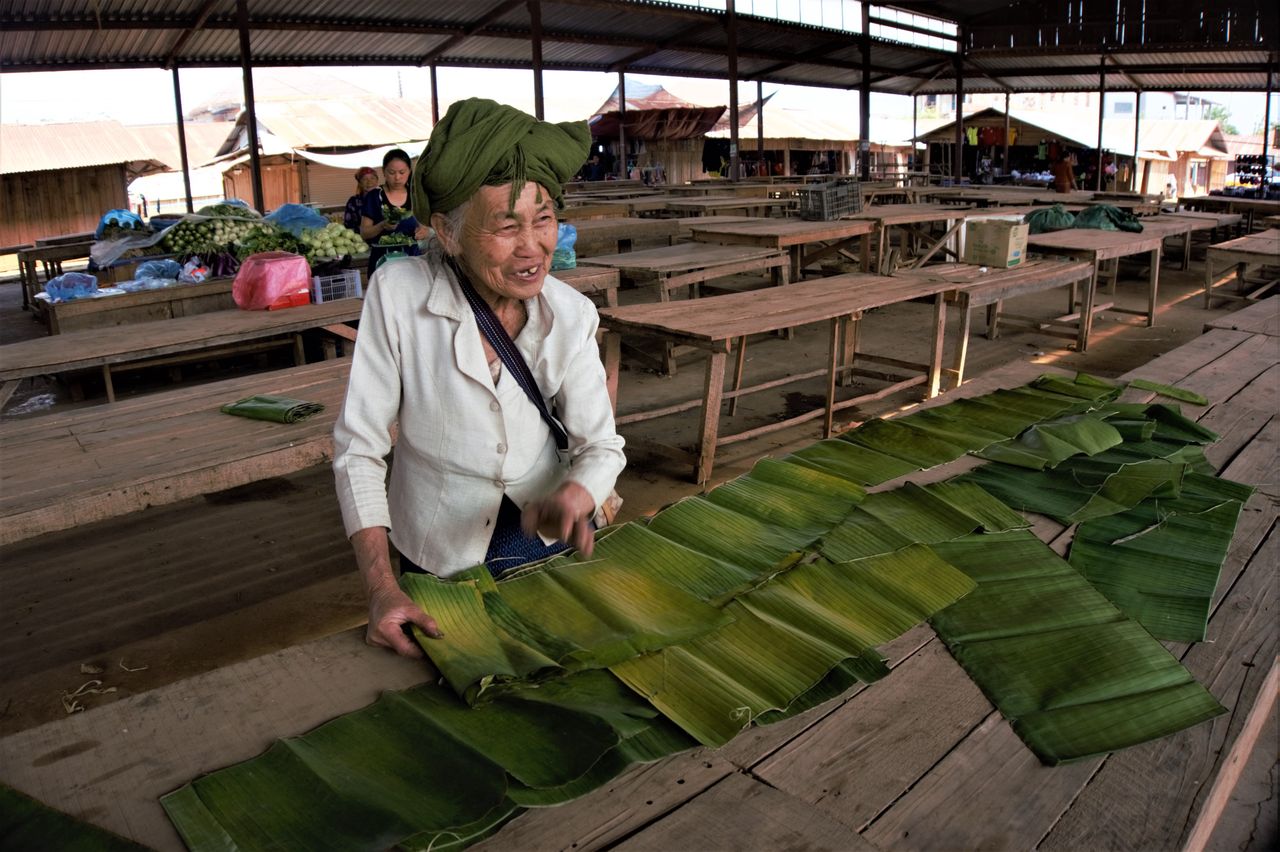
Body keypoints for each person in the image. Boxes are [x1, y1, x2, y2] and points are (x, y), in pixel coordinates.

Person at [333, 98, 626, 659]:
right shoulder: (398, 296)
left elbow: (602, 445)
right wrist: (380, 589)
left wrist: (575, 494)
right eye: (506, 226)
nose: (532, 247)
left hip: (538, 539)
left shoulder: (571, 313)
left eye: (543, 220)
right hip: (434, 545)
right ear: (447, 232)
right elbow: (359, 449)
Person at [360, 148, 431, 273]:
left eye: (402, 172)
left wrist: (424, 231)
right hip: (382, 262)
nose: (397, 177)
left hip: (412, 260)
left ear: (409, 172)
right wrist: (382, 225)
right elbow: (364, 233)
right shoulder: (374, 197)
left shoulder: (416, 195)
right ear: (383, 172)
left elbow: (425, 225)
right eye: (392, 172)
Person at [343, 166, 379, 232]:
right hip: (360, 239)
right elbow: (348, 226)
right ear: (360, 183)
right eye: (365, 179)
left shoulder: (384, 197)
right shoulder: (353, 202)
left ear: (377, 181)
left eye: (372, 178)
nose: (369, 182)